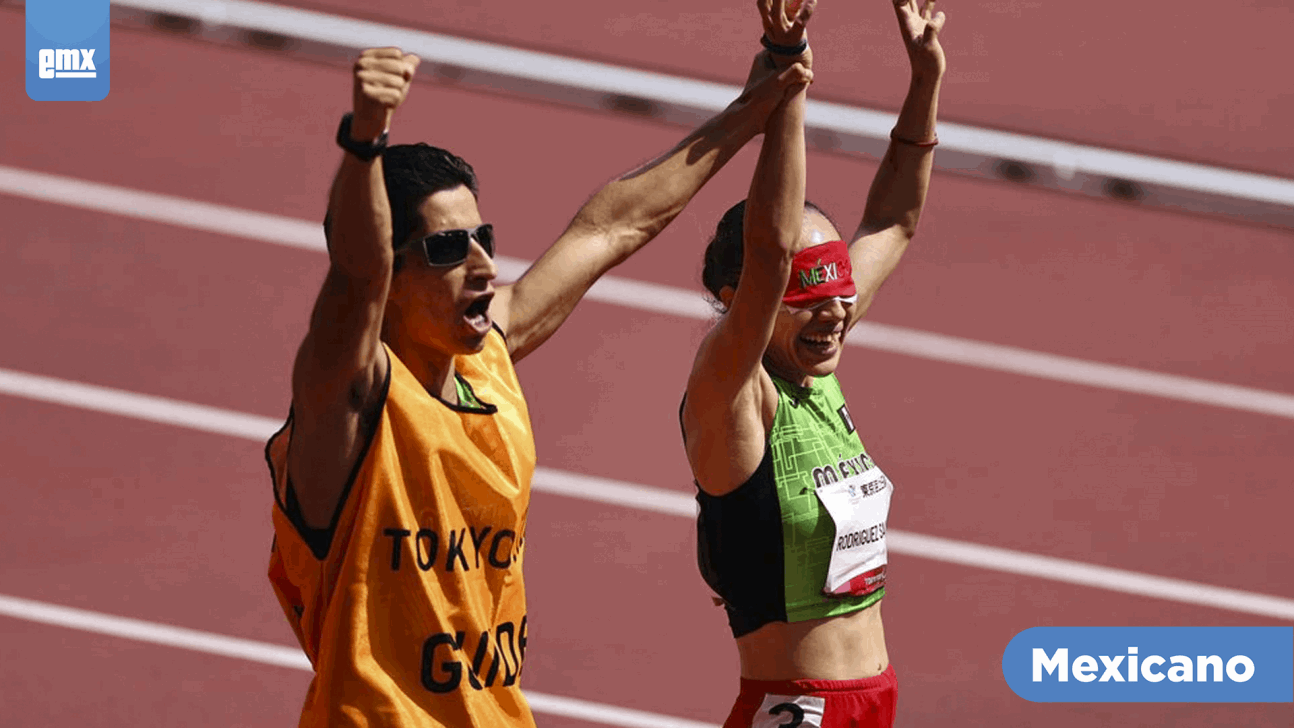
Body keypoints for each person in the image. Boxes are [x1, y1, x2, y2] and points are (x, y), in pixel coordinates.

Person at [263, 35, 811, 727]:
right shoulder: (349, 401)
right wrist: (364, 139)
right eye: (445, 248)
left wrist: (752, 107)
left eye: (482, 237)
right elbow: (352, 275)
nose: (484, 265)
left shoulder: (490, 355)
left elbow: (615, 224)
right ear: (392, 280)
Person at [679, 0, 947, 726]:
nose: (834, 310)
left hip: (873, 700)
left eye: (840, 290)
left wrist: (924, 82)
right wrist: (789, 80)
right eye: (808, 291)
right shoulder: (734, 390)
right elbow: (770, 253)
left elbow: (894, 220)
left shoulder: (811, 353)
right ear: (743, 301)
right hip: (798, 709)